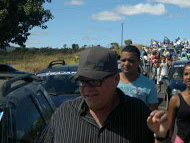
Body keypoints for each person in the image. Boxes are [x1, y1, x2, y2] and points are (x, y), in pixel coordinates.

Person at [38, 46, 170, 143]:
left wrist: (162, 137)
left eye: (95, 81)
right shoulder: (64, 113)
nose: (87, 89)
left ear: (115, 80)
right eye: (82, 81)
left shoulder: (139, 112)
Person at [118, 45, 159, 110]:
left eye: (131, 61)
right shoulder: (112, 81)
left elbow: (154, 112)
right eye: (123, 60)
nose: (126, 63)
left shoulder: (149, 84)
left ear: (138, 62)